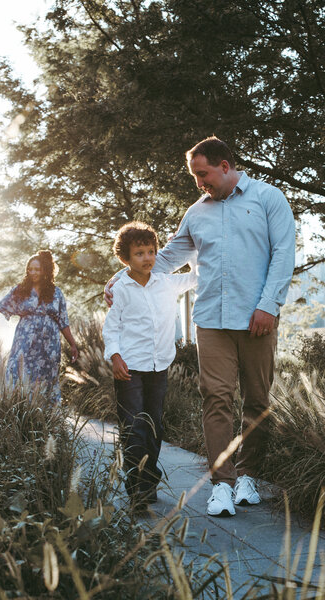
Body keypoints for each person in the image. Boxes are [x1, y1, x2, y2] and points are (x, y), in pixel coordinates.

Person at [105, 136, 295, 517]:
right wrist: (121, 278)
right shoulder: (197, 212)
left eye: (202, 174)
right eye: (195, 175)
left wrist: (268, 305)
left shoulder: (268, 198)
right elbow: (171, 254)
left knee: (256, 400)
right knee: (216, 398)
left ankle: (247, 475)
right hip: (211, 320)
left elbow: (284, 252)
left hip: (257, 318)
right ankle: (221, 484)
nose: (199, 182)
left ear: (225, 166)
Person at [102, 222, 195, 511]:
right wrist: (115, 356)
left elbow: (199, 277)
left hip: (160, 366)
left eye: (152, 251)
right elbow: (111, 328)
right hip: (129, 367)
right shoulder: (121, 288)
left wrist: (189, 250)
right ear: (125, 258)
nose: (147, 258)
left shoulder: (167, 283)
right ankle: (136, 492)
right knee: (133, 427)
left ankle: (148, 480)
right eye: (139, 253)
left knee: (154, 426)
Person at [0, 250, 78, 402]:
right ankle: (19, 411)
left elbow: (63, 322)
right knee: (19, 373)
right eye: (30, 269)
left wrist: (73, 344)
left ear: (45, 271)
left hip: (49, 346)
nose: (33, 272)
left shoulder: (57, 293)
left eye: (37, 269)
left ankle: (46, 418)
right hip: (25, 342)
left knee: (46, 379)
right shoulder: (20, 290)